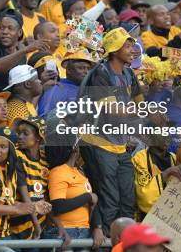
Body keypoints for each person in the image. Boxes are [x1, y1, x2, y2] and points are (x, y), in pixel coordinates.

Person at [80, 27, 141, 233]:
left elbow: (139, 101)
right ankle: (107, 242)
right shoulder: (101, 73)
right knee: (110, 200)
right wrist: (142, 110)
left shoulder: (129, 73)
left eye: (132, 44)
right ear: (114, 50)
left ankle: (125, 242)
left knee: (127, 199)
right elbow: (113, 110)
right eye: (127, 45)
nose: (132, 49)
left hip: (120, 146)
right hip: (99, 144)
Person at [11, 117, 51, 240]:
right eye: (19, 133)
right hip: (20, 225)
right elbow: (24, 195)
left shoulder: (46, 159)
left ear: (38, 137)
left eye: (25, 134)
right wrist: (36, 224)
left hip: (42, 224)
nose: (20, 137)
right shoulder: (17, 155)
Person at [38, 51, 94, 118]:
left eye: (89, 68)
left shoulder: (89, 89)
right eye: (81, 68)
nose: (86, 72)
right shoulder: (57, 88)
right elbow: (45, 117)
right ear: (69, 70)